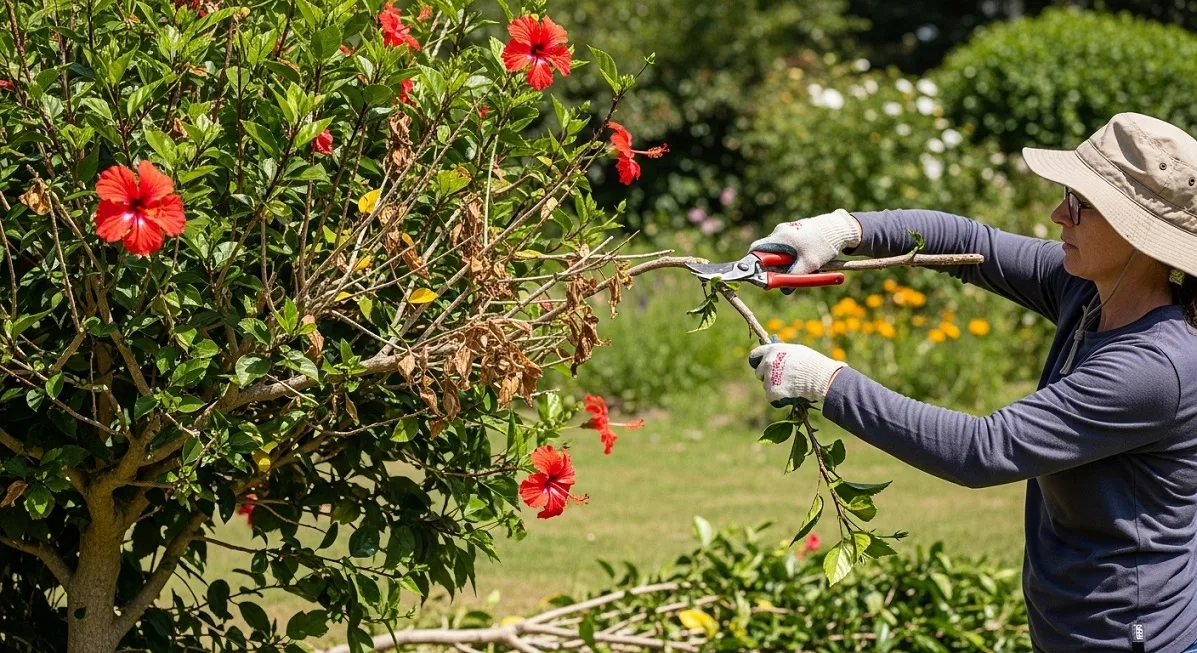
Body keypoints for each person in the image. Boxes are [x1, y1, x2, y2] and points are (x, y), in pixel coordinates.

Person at [746, 112, 1197, 653]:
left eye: (1079, 204)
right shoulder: (1090, 290)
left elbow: (980, 452)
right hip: (1074, 628)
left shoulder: (1151, 369)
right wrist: (842, 229)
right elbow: (967, 241)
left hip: (1128, 637)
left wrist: (825, 383)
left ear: (1135, 232)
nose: (1058, 214)